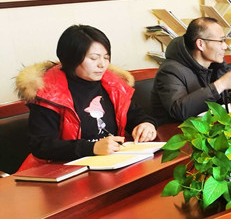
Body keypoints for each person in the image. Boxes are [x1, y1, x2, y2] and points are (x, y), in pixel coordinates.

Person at [15, 24, 158, 170]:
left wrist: (146, 124)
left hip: (112, 165)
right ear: (71, 59)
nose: (102, 64)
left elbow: (134, 114)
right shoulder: (48, 93)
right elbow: (42, 145)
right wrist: (92, 148)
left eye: (106, 57)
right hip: (65, 171)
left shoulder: (113, 85)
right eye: (94, 58)